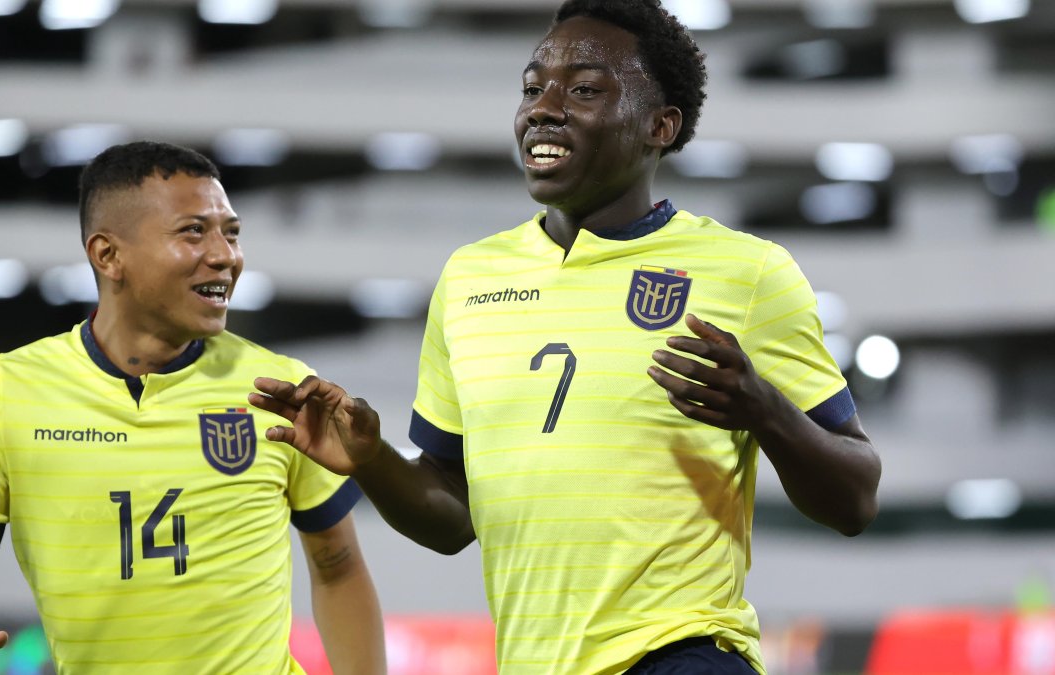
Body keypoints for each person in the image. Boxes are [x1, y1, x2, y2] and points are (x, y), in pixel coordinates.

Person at [249, 1, 882, 674]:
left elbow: (857, 497)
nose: (542, 108)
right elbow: (453, 517)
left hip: (683, 653)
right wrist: (374, 459)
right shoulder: (470, 278)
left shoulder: (749, 273)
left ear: (658, 126)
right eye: (532, 87)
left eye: (583, 89)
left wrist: (767, 410)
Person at [0, 141, 386, 675]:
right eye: (193, 231)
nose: (225, 255)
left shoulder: (284, 390)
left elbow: (338, 569)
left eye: (230, 232)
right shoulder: (2, 394)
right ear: (107, 255)